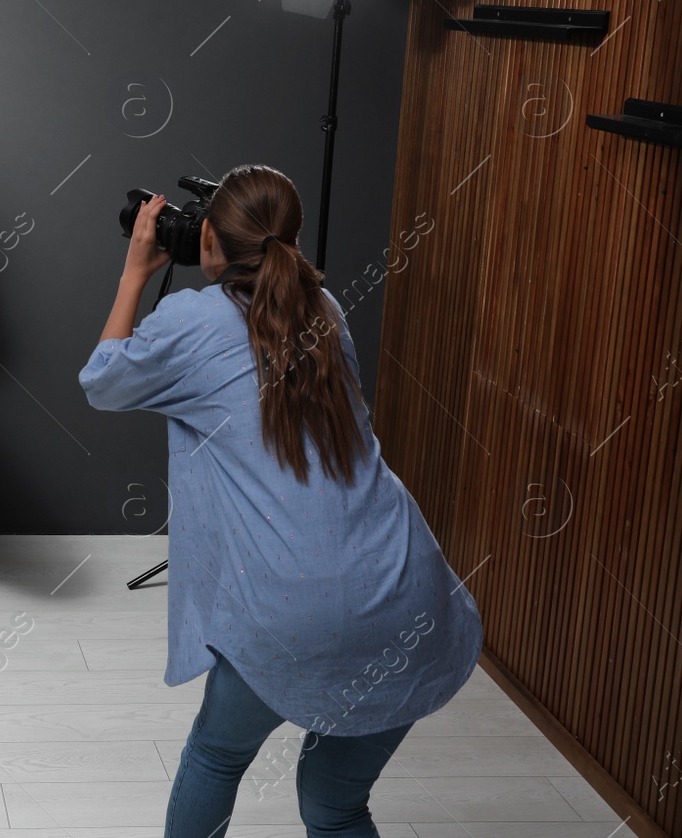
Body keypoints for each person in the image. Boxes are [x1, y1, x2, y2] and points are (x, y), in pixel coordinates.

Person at [80, 165, 482, 838]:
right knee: (335, 805)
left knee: (216, 754)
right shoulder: (325, 310)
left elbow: (103, 380)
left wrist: (134, 274)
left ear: (207, 236)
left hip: (292, 607)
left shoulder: (191, 316)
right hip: (409, 592)